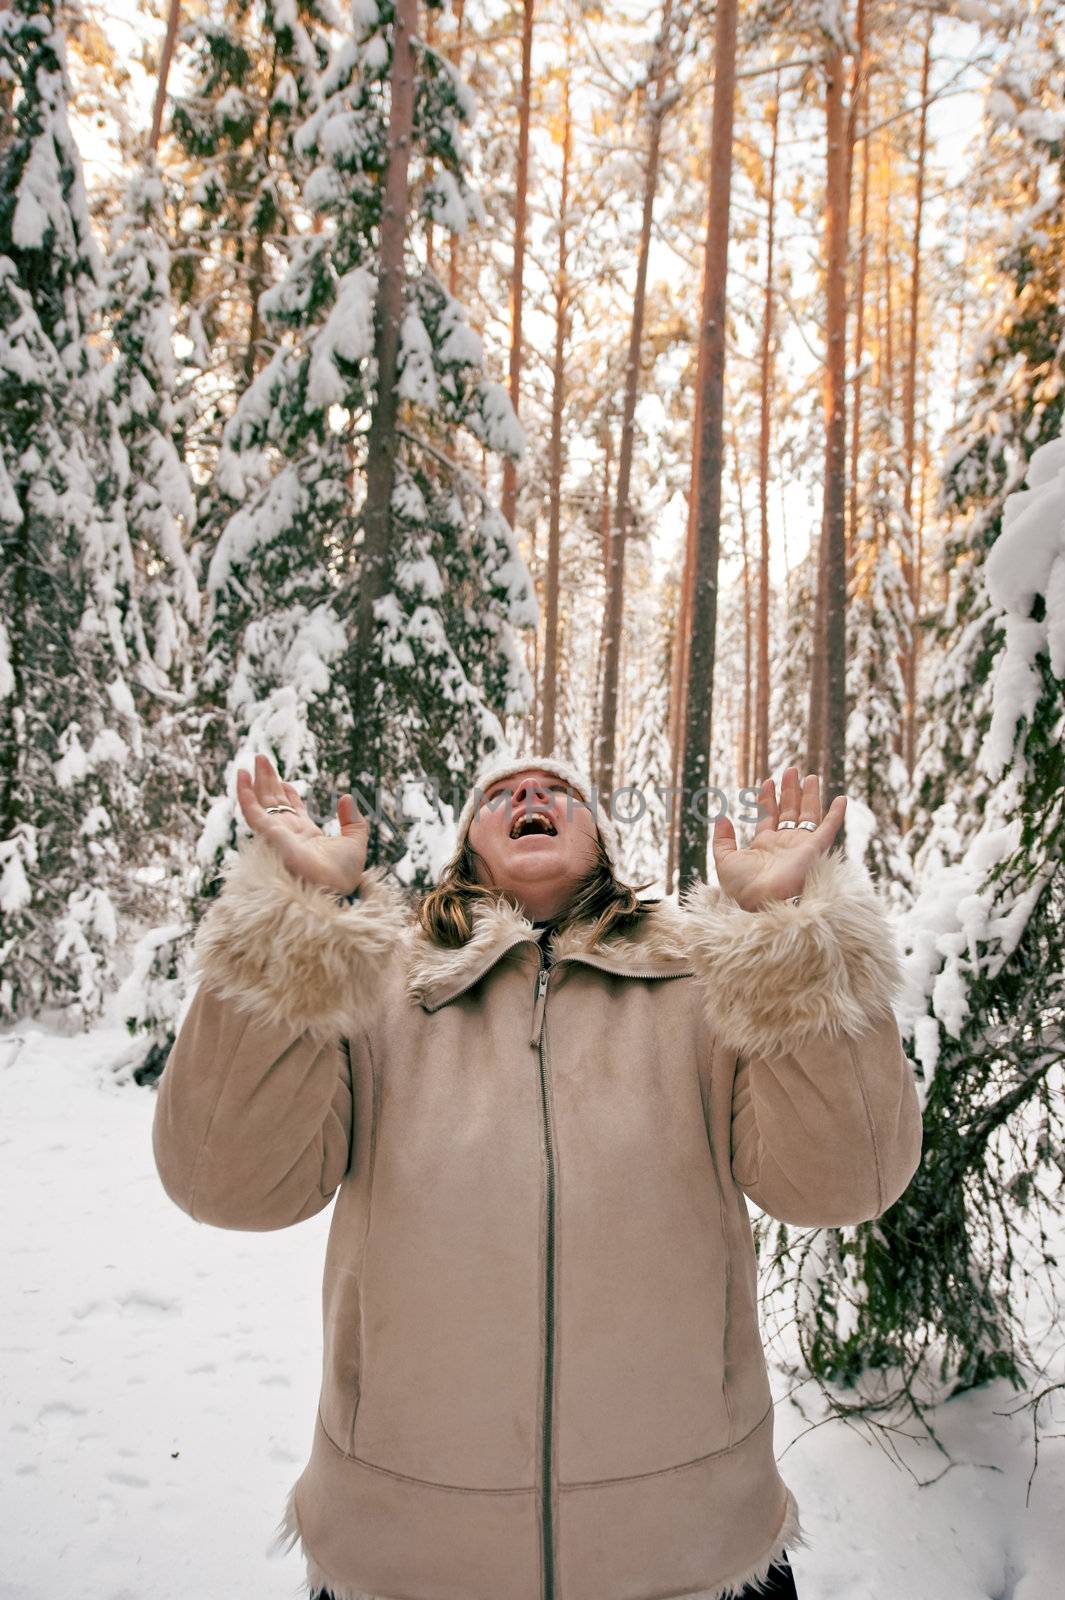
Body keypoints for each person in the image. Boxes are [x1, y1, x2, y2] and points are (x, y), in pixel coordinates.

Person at [152, 751, 923, 1600]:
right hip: (407, 1556)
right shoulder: (373, 991)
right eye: (499, 794)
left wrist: (788, 938)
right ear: (465, 846)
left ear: (599, 840)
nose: (530, 796)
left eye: (560, 792)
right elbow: (223, 1183)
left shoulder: (709, 988)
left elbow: (849, 1180)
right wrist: (294, 930)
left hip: (690, 1550)